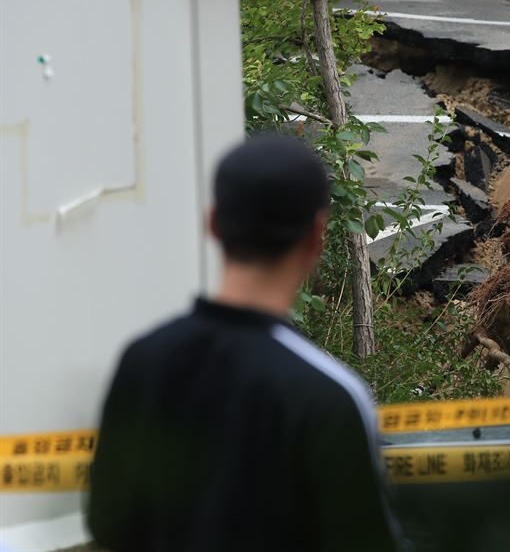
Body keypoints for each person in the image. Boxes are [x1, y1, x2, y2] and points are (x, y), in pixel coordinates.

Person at [87, 135, 402, 552]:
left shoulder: (143, 360)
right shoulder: (329, 396)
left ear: (213, 223)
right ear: (316, 236)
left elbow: (107, 524)